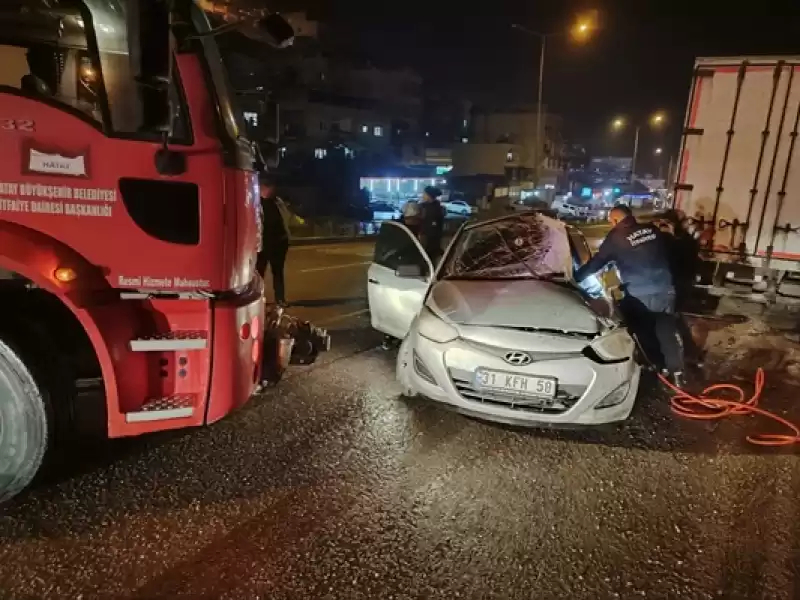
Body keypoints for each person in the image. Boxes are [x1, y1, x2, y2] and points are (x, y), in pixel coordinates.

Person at [573, 204, 685, 386]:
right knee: (666, 329)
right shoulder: (651, 230)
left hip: (639, 294)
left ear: (616, 220)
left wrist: (576, 277)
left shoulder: (616, 237)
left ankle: (655, 366)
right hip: (665, 288)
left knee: (640, 328)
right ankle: (677, 372)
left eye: (611, 221)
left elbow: (597, 263)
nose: (611, 224)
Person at [658, 209, 705, 367]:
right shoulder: (683, 240)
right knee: (675, 318)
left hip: (677, 285)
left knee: (671, 319)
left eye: (666, 223)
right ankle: (691, 354)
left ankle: (685, 355)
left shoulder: (680, 242)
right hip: (679, 285)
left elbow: (675, 260)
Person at [256, 173, 291, 307]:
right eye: (269, 187)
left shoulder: (278, 202)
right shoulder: (256, 204)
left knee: (278, 273)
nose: (273, 190)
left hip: (279, 244)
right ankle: (258, 299)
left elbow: (286, 218)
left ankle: (280, 299)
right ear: (262, 188)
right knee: (259, 274)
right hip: (263, 246)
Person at [418, 186, 445, 263]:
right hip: (429, 236)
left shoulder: (435, 208)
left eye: (424, 194)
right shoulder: (425, 205)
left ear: (429, 195)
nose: (423, 196)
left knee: (428, 257)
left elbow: (432, 223)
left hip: (430, 237)